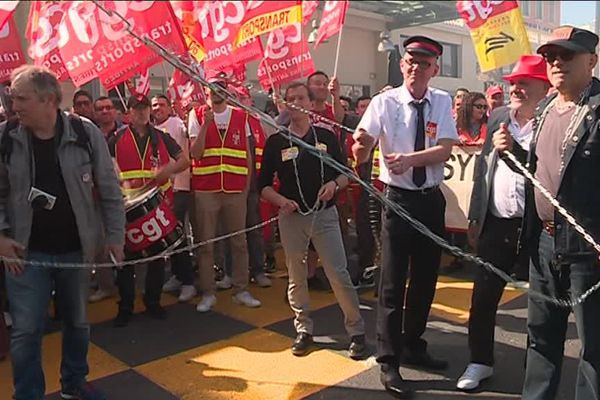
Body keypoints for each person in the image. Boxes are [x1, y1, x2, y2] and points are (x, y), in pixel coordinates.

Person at [0, 65, 125, 400]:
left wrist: (115, 238)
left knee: (78, 323)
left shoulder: (85, 133)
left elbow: (110, 190)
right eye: (12, 98)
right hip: (25, 255)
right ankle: (27, 394)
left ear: (49, 100)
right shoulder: (5, 137)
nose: (14, 106)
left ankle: (74, 384)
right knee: (26, 331)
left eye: (22, 98)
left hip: (77, 252)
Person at [493, 26, 600, 400]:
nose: (556, 63)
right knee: (540, 339)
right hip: (544, 243)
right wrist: (513, 155)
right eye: (551, 57)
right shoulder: (544, 110)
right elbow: (541, 173)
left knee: (594, 350)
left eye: (566, 56)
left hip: (590, 250)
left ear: (592, 60)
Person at [353, 35, 458, 398]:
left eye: (424, 64)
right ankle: (389, 359)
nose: (417, 68)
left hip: (431, 200)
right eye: (411, 62)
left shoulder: (442, 101)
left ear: (435, 69)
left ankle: (413, 343)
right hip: (398, 201)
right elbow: (362, 145)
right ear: (402, 66)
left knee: (427, 278)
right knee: (393, 281)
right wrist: (361, 146)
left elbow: (444, 149)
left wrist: (409, 160)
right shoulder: (384, 102)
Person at [457, 55, 551, 391]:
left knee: (540, 308)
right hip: (494, 225)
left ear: (545, 87)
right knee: (482, 299)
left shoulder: (553, 122)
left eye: (525, 82)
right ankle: (479, 361)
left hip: (536, 228)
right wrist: (474, 216)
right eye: (514, 82)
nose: (517, 88)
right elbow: (483, 170)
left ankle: (536, 371)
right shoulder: (497, 117)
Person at [259, 81, 366, 358]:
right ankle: (303, 329)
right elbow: (263, 186)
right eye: (290, 97)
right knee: (296, 275)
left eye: (301, 97)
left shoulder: (326, 136)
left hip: (325, 215)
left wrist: (334, 186)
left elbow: (346, 173)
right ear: (283, 103)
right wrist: (281, 201)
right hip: (292, 218)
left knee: (338, 274)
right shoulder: (276, 142)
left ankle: (356, 331)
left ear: (310, 102)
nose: (296, 102)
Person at [109, 94, 190, 327]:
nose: (142, 113)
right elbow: (103, 166)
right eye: (137, 109)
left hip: (156, 206)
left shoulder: (162, 138)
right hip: (127, 208)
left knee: (156, 258)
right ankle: (125, 306)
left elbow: (184, 160)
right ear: (130, 113)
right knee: (126, 262)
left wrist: (167, 170)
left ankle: (152, 302)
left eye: (145, 108)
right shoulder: (116, 139)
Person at [190, 73, 261, 312]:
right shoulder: (196, 114)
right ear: (206, 90)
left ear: (227, 90)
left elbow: (248, 154)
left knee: (239, 242)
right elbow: (195, 153)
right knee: (207, 244)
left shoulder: (241, 116)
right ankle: (208, 292)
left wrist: (246, 185)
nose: (215, 91)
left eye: (220, 87)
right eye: (211, 87)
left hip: (235, 188)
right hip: (206, 189)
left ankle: (241, 289)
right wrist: (206, 124)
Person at [151, 94, 197, 303]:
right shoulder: (151, 130)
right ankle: (178, 275)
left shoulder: (177, 125)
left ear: (170, 107)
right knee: (167, 237)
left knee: (176, 235)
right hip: (162, 191)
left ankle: (187, 281)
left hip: (179, 188)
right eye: (154, 105)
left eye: (161, 104)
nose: (157, 108)